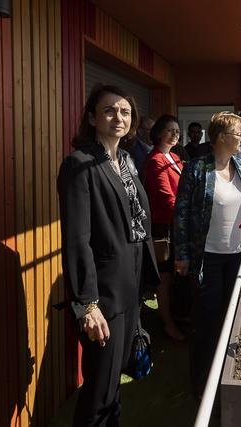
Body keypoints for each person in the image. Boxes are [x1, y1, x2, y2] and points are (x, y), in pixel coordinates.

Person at [57, 84, 160, 426]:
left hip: (130, 289)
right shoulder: (80, 164)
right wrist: (87, 303)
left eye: (126, 112)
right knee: (99, 390)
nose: (119, 117)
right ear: (92, 117)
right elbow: (77, 239)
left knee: (114, 383)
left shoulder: (128, 161)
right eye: (109, 111)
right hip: (104, 296)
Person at [174, 112, 241, 397]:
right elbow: (182, 214)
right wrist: (182, 254)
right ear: (222, 137)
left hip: (237, 257)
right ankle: (201, 385)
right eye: (240, 134)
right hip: (206, 259)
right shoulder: (197, 168)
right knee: (206, 323)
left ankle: (224, 379)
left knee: (231, 319)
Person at [143, 114, 186, 341]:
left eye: (177, 131)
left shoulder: (175, 158)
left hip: (176, 224)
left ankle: (174, 315)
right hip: (163, 227)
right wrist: (186, 216)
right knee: (165, 276)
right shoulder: (156, 160)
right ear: (159, 132)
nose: (174, 134)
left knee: (175, 274)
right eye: (170, 130)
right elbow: (165, 198)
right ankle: (167, 324)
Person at [128, 116, 155, 181]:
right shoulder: (133, 151)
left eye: (156, 129)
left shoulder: (159, 148)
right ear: (140, 131)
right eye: (151, 130)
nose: (155, 133)